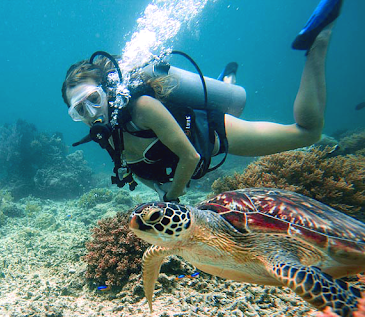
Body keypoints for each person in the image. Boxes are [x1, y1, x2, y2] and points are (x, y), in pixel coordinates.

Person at [62, 0, 343, 202]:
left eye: (93, 99)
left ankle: (319, 40)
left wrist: (172, 197)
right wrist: (159, 191)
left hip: (216, 133)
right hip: (197, 133)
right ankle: (224, 80)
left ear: (107, 90)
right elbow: (133, 164)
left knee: (307, 132)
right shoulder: (106, 133)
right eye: (78, 110)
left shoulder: (143, 109)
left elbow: (190, 156)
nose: (90, 113)